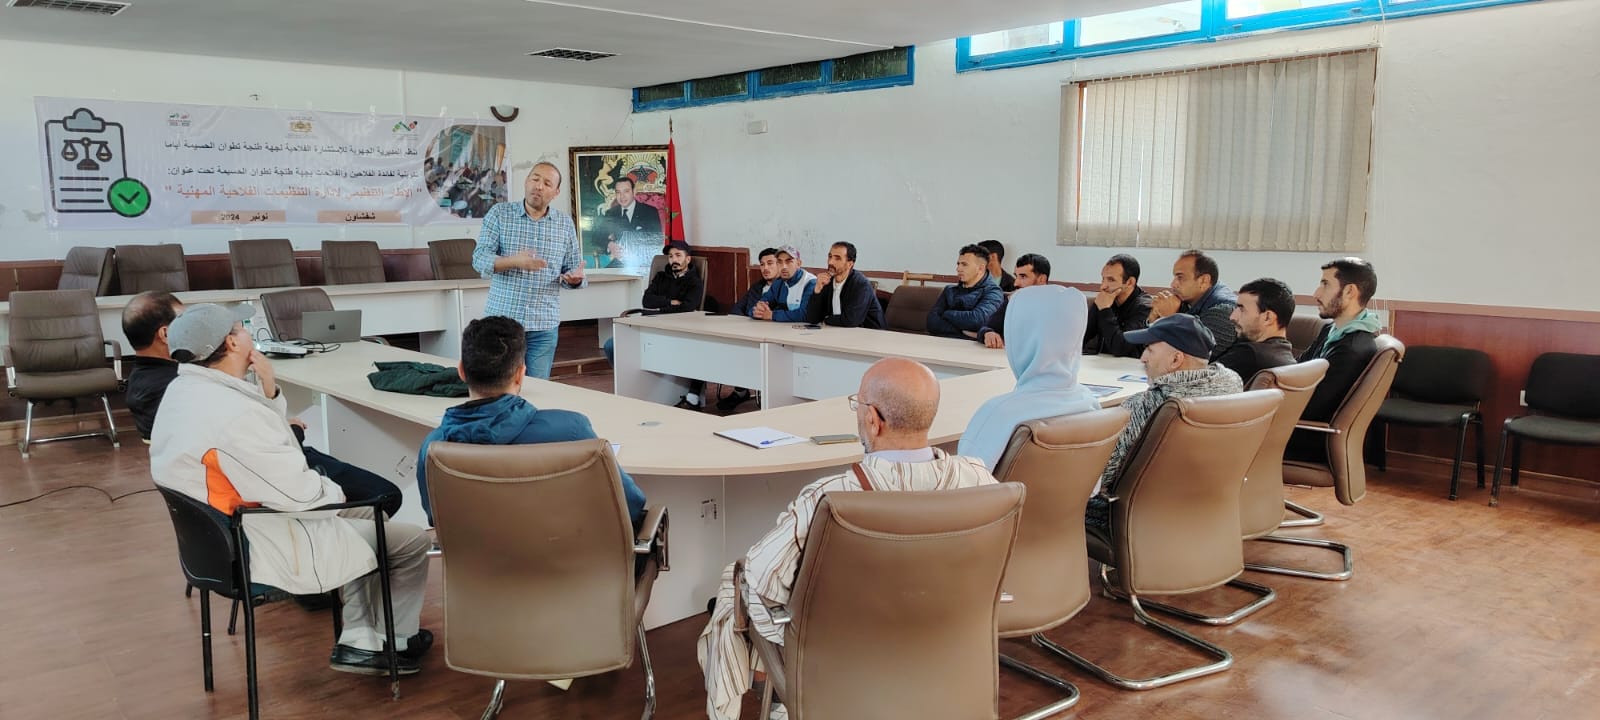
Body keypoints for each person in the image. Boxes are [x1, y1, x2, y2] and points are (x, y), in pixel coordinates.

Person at [697, 357, 997, 720]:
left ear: (873, 419)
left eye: (857, 405)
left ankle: (769, 696)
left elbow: (762, 582)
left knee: (737, 584)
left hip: (845, 657)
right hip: (945, 641)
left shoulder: (831, 498)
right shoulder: (980, 483)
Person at [149, 304, 432, 676]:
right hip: (260, 542)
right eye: (244, 327)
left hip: (219, 539)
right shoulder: (231, 414)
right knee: (410, 540)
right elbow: (299, 494)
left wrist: (269, 389)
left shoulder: (185, 392)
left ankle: (362, 639)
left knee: (368, 517)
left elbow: (264, 450)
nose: (252, 333)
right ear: (233, 343)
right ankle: (394, 643)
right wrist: (335, 493)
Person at [122, 292, 402, 518]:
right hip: (263, 504)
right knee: (385, 497)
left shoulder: (182, 385)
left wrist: (268, 394)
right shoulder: (202, 399)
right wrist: (330, 491)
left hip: (250, 489)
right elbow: (290, 487)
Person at [417, 316, 646, 528]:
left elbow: (436, 518)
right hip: (566, 565)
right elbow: (631, 504)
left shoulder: (433, 446)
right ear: (520, 373)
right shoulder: (571, 430)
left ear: (461, 372)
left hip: (480, 569)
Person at [1085, 314, 1242, 529]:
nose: (1142, 358)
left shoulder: (1147, 406)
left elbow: (1099, 475)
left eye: (1149, 349)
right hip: (1207, 509)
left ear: (1176, 359)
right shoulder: (1233, 387)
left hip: (1137, 518)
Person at [960, 285, 1102, 468]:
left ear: (1019, 336)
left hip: (1010, 497)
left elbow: (962, 486)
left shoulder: (999, 413)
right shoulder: (1090, 404)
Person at [473, 161, 587, 380]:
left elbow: (572, 267)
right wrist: (515, 261)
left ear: (556, 192)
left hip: (544, 325)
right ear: (526, 182)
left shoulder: (564, 223)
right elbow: (479, 259)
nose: (539, 186)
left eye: (547, 183)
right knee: (499, 387)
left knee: (538, 389)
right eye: (535, 179)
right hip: (503, 323)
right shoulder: (500, 214)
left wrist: (574, 279)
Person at [1286, 258, 1381, 463]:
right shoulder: (1332, 330)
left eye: (1325, 284)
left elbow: (1314, 406)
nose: (1316, 294)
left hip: (1310, 438)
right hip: (1298, 426)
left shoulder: (1352, 347)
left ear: (1349, 292)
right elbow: (1298, 368)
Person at [601, 239, 704, 369]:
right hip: (650, 323)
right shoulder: (661, 276)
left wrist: (659, 309)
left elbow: (687, 307)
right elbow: (647, 300)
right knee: (610, 345)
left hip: (676, 329)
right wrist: (670, 302)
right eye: (671, 256)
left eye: (678, 255)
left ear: (688, 259)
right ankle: (626, 376)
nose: (674, 260)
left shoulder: (694, 282)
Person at [1148, 249, 1238, 360]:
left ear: (1204, 281)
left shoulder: (1223, 311)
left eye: (1180, 277)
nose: (1173, 284)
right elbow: (1146, 351)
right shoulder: (1187, 301)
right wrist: (1153, 319)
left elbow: (1189, 358)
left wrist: (1169, 318)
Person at [1215, 277, 1299, 384]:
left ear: (1267, 317)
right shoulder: (1285, 356)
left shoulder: (1249, 354)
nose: (1232, 316)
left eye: (1241, 309)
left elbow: (1193, 384)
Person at [926, 244, 1004, 339]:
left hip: (972, 348)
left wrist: (946, 313)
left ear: (981, 268)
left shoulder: (993, 292)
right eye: (958, 264)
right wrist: (964, 332)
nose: (958, 269)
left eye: (964, 264)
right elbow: (931, 323)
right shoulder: (949, 290)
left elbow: (977, 321)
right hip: (942, 343)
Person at [1082, 254, 1153, 358]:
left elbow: (1120, 348)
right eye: (1103, 279)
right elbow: (1081, 337)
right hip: (1101, 364)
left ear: (1129, 282)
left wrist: (1105, 309)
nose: (1103, 286)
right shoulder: (1106, 298)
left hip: (1130, 368)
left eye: (1111, 280)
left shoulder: (1144, 307)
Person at [804, 241, 884, 329]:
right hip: (838, 333)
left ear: (850, 264)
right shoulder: (827, 282)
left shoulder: (861, 285)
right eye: (830, 256)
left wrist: (826, 319)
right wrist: (817, 290)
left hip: (870, 336)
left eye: (837, 258)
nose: (831, 262)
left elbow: (851, 320)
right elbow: (812, 318)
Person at [976, 253, 1050, 348]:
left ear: (1041, 279)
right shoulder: (1013, 300)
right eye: (1016, 276)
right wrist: (988, 333)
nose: (1016, 283)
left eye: (1023, 277)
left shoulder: (1059, 306)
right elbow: (986, 327)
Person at [753, 245, 814, 323]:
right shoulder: (778, 283)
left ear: (798, 264)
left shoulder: (810, 283)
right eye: (779, 262)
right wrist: (757, 311)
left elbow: (805, 315)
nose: (784, 266)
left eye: (788, 261)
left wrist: (772, 315)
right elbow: (756, 307)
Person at [602, 176, 663, 242]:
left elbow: (656, 240)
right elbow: (598, 237)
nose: (622, 196)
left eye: (626, 191)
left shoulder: (650, 212)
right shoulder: (610, 213)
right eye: (618, 192)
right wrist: (609, 245)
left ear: (634, 192)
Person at [731, 248, 780, 318]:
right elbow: (737, 308)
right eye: (762, 264)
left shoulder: (785, 287)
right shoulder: (757, 287)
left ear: (780, 265)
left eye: (770, 263)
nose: (765, 268)